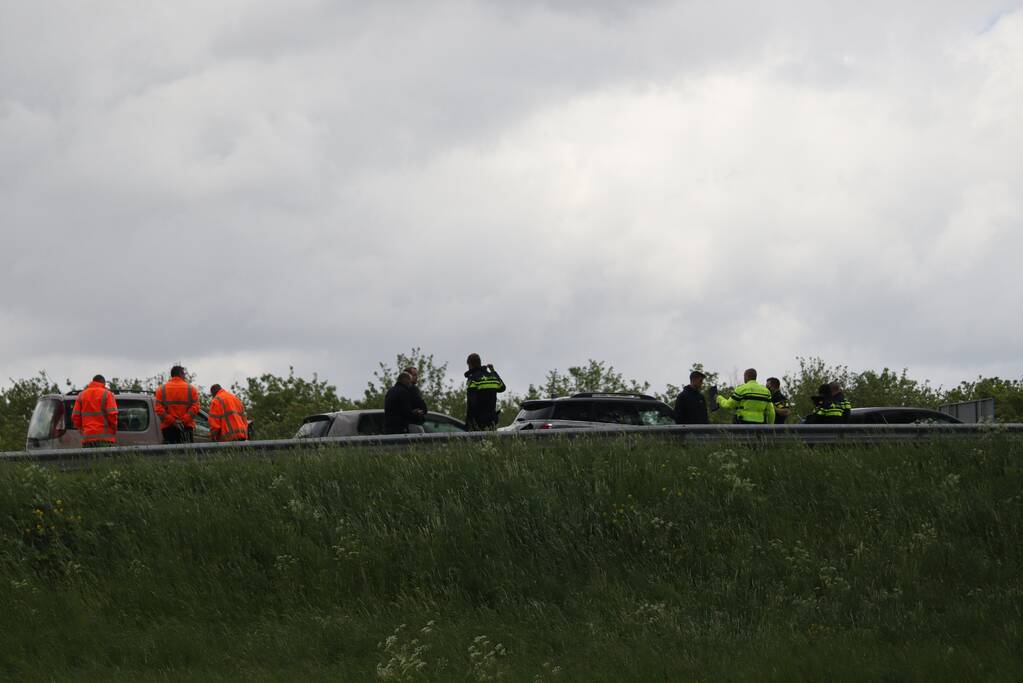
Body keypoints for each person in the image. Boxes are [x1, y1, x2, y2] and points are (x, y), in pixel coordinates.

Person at [154, 365, 200, 444]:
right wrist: (183, 420)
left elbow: (159, 409)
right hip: (186, 427)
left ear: (172, 375)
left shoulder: (161, 390)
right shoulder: (191, 389)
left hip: (168, 428)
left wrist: (173, 421)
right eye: (184, 374)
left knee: (172, 454)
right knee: (187, 453)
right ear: (181, 374)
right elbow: (195, 407)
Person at [72, 374, 118, 447]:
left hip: (88, 438)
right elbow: (112, 415)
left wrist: (82, 430)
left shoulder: (81, 395)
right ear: (103, 383)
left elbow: (75, 416)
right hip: (104, 439)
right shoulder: (107, 394)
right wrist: (114, 429)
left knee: (90, 458)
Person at [464, 353, 506, 430]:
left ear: (470, 365)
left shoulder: (473, 379)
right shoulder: (492, 377)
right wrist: (493, 371)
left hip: (478, 422)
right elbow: (502, 388)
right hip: (492, 420)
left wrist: (468, 422)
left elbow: (471, 403)